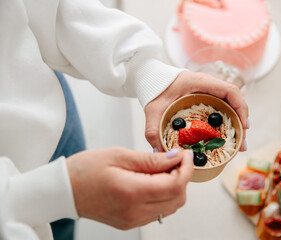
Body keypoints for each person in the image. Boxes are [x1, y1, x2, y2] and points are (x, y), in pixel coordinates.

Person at [0, 0, 249, 240]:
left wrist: (145, 71)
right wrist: (42, 197)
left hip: (52, 108)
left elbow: (44, 7)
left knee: (65, 227)